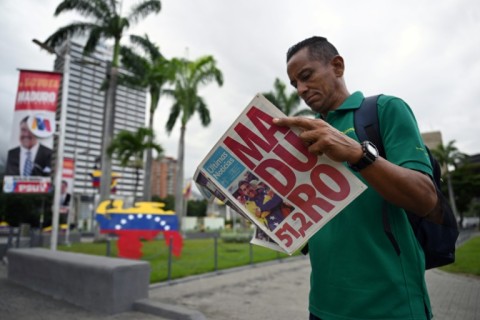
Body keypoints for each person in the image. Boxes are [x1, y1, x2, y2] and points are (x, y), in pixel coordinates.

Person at [272, 36, 439, 320]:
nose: (300, 89)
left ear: (337, 66)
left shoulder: (384, 110)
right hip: (322, 308)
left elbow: (426, 199)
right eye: (294, 84)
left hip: (391, 307)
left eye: (306, 76)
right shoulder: (303, 138)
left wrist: (357, 154)